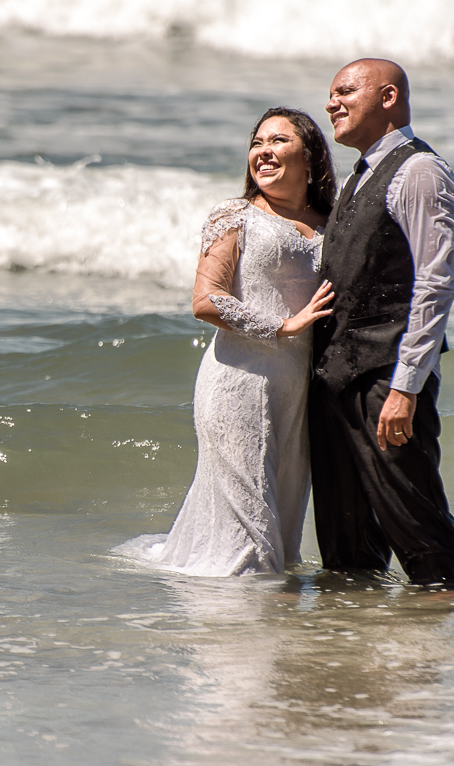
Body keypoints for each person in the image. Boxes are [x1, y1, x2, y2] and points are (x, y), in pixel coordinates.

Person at [124, 107, 336, 576]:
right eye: (257, 142)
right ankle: (233, 638)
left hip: (298, 391)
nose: (263, 151)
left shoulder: (332, 223)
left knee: (281, 526)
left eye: (279, 141)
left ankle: (278, 636)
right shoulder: (235, 215)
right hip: (237, 383)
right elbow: (205, 301)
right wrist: (283, 326)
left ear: (311, 156)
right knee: (249, 533)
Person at [310, 59, 454, 586]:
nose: (331, 103)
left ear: (388, 97)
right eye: (330, 93)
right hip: (337, 379)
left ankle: (436, 649)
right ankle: (353, 650)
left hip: (386, 379)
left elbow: (435, 281)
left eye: (345, 91)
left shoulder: (419, 170)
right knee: (346, 546)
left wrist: (406, 387)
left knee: (422, 536)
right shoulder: (359, 175)